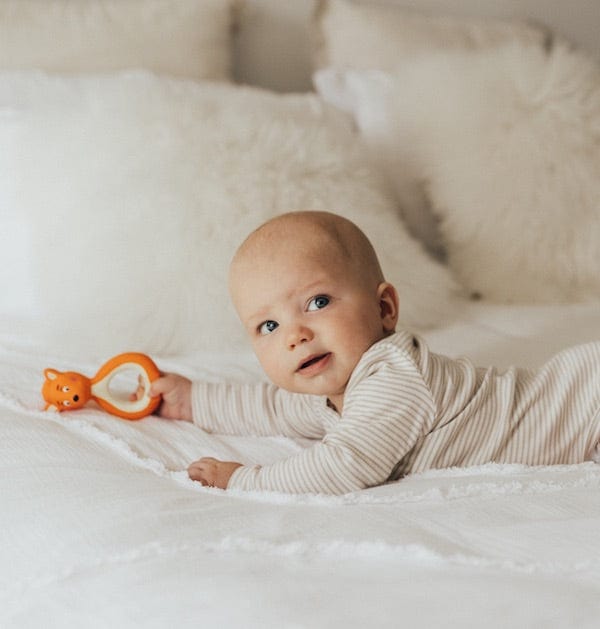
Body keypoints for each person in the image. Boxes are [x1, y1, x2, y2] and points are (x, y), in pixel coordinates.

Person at [144, 211, 600, 495]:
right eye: (269, 325)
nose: (295, 335)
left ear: (384, 308)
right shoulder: (336, 386)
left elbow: (340, 467)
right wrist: (192, 399)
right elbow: (272, 407)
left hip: (586, 401)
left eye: (318, 302)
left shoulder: (393, 378)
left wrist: (242, 479)